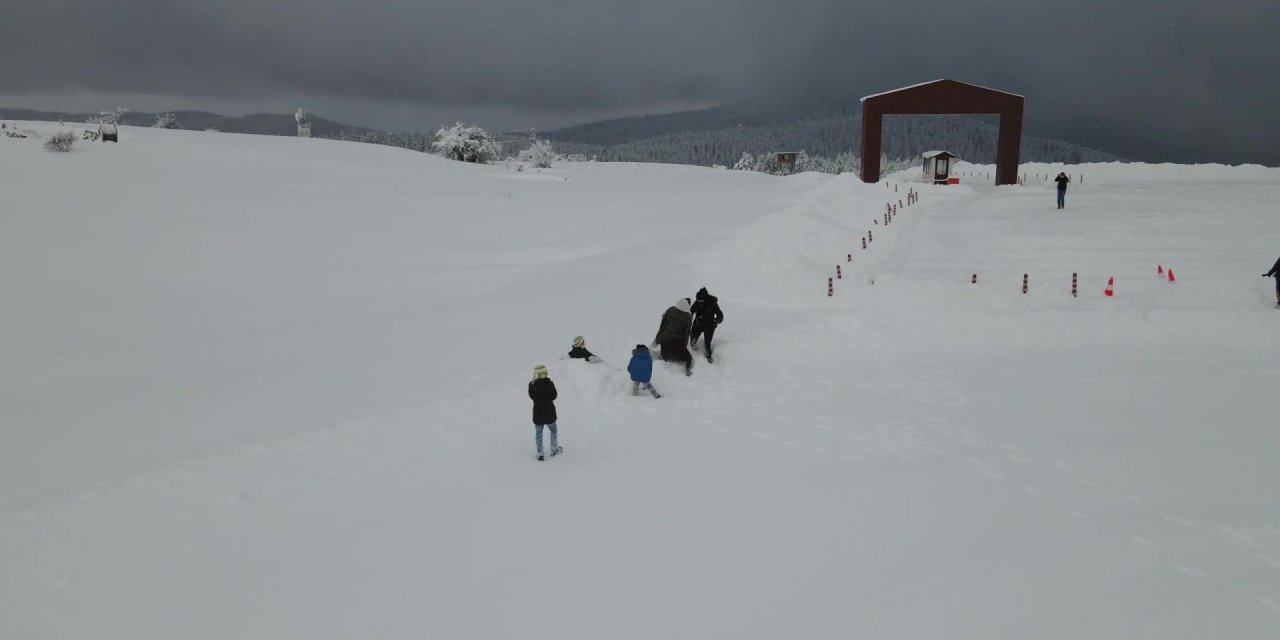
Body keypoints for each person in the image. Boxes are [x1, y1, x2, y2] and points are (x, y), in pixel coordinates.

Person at [653, 297, 694, 376]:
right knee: (688, 358)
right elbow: (686, 334)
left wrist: (657, 340)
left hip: (664, 340)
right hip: (677, 343)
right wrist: (684, 347)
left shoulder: (671, 310)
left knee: (666, 356)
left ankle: (664, 356)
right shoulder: (688, 317)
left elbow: (663, 326)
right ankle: (688, 369)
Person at [528, 365, 562, 460]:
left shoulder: (533, 385)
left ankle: (540, 453)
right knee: (553, 431)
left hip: (538, 414)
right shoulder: (550, 384)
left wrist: (532, 385)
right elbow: (554, 396)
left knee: (539, 434)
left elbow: (532, 396)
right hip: (549, 413)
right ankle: (554, 449)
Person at [689, 287, 724, 363]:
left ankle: (708, 354)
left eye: (701, 301)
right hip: (698, 323)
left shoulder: (712, 303)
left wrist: (716, 320)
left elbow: (720, 315)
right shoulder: (697, 302)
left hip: (709, 325)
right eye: (698, 301)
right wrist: (689, 316)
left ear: (705, 299)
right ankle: (694, 346)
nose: (699, 302)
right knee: (692, 340)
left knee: (707, 344)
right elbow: (691, 310)